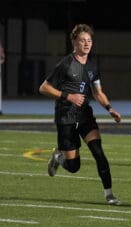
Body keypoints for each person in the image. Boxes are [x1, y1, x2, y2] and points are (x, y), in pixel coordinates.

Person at [39, 24, 121, 205]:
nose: (86, 44)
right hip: (66, 117)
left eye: (89, 40)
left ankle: (109, 194)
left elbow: (98, 92)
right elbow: (44, 88)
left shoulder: (92, 66)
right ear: (74, 42)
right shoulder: (65, 64)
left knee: (99, 153)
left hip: (85, 115)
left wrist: (109, 108)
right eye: (82, 40)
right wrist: (68, 96)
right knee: (74, 167)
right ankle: (59, 157)